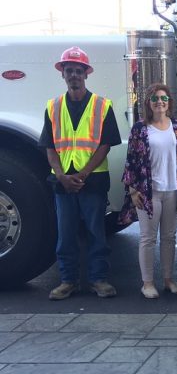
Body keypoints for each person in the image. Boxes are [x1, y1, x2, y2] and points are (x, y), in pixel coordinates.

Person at [40, 46, 121, 300]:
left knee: (97, 234)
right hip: (64, 182)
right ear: (62, 74)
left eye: (78, 70)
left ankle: (98, 280)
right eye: (69, 70)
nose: (74, 75)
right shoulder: (53, 107)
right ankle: (68, 281)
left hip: (92, 181)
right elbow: (50, 147)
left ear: (86, 74)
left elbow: (105, 145)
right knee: (65, 235)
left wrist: (83, 174)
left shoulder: (102, 106)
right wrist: (62, 175)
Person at [121, 83, 177, 299]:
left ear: (169, 103)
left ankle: (168, 279)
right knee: (148, 238)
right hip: (148, 191)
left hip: (173, 189)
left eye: (164, 98)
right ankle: (147, 283)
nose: (160, 102)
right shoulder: (140, 129)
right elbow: (131, 160)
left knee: (168, 237)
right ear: (148, 104)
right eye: (155, 99)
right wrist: (133, 190)